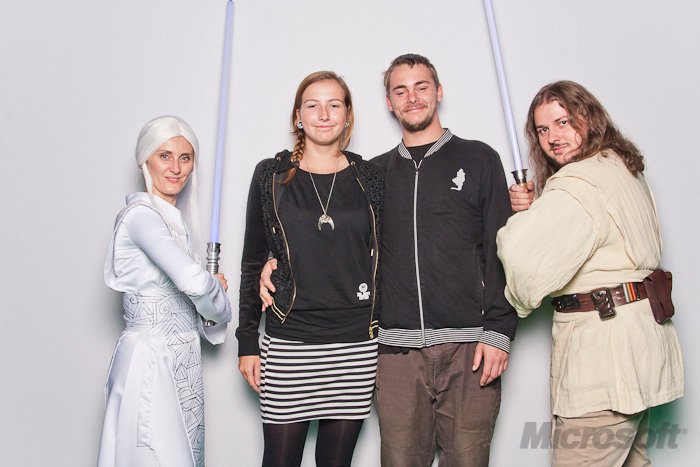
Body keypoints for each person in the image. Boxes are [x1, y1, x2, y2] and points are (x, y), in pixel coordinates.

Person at [496, 81, 684, 465]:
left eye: (563, 122)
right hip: (640, 348)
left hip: (605, 359)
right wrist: (541, 210)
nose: (553, 137)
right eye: (543, 129)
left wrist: (524, 221)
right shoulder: (622, 168)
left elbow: (523, 261)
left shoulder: (577, 183)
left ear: (589, 118)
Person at [236, 71, 383, 467]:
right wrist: (247, 340)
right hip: (290, 340)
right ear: (298, 116)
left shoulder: (369, 176)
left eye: (334, 105)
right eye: (312, 105)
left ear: (347, 115)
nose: (323, 114)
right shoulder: (271, 175)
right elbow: (252, 261)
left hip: (355, 344)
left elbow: (389, 251)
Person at [98, 115, 232, 467]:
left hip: (180, 357)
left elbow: (194, 296)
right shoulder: (140, 216)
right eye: (165, 156)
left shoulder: (173, 221)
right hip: (152, 360)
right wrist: (216, 295)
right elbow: (195, 283)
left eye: (185, 158)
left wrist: (208, 295)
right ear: (145, 159)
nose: (175, 168)